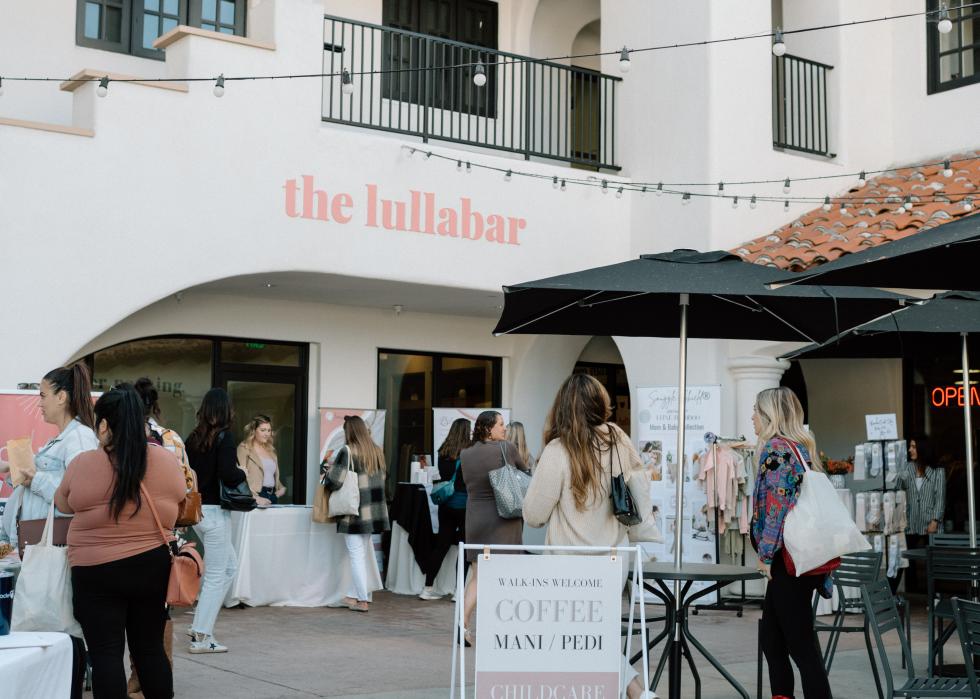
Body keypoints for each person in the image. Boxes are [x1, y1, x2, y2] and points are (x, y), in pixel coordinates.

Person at [523, 373, 655, 699]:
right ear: (601, 403)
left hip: (568, 564)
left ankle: (638, 694)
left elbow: (534, 515)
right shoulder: (618, 440)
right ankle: (637, 693)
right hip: (613, 558)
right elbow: (639, 490)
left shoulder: (558, 450)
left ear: (563, 407)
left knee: (575, 638)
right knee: (595, 635)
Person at [54, 384, 185, 699]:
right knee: (149, 650)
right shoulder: (166, 461)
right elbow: (180, 500)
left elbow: (63, 504)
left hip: (95, 570)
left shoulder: (84, 464)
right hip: (151, 566)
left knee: (106, 653)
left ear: (103, 425)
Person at [0, 364, 98, 699]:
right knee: (49, 618)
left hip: (57, 545)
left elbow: (76, 495)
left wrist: (32, 478)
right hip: (40, 542)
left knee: (62, 622)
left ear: (63, 396)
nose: (39, 403)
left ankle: (69, 685)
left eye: (43, 395)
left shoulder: (81, 438)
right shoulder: (62, 437)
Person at [751, 386, 832, 699]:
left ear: (770, 415)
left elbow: (777, 506)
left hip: (788, 560)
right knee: (773, 640)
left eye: (756, 411)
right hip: (797, 558)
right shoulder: (797, 448)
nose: (752, 417)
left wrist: (766, 555)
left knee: (800, 647)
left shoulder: (777, 450)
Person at [130, 377, 195, 695]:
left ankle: (136, 677)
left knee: (130, 609)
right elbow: (186, 488)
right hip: (166, 533)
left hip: (127, 534)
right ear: (155, 405)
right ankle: (160, 673)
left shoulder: (122, 440)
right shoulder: (172, 439)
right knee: (160, 608)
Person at [458, 411, 529, 645]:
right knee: (507, 574)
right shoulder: (505, 449)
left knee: (478, 575)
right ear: (488, 428)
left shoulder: (466, 453)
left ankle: (463, 623)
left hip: (476, 518)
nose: (504, 429)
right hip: (503, 517)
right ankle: (504, 626)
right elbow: (524, 470)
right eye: (500, 425)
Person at [185, 387, 246, 653]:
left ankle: (201, 624)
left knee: (228, 568)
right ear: (225, 410)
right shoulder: (226, 438)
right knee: (217, 574)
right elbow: (229, 474)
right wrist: (242, 473)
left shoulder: (193, 438)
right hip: (217, 513)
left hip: (198, 512)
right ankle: (201, 635)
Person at [322, 415, 389, 612]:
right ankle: (351, 597)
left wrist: (327, 471)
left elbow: (335, 481)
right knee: (360, 554)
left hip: (354, 509)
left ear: (349, 431)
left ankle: (362, 600)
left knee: (356, 555)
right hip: (372, 509)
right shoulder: (377, 451)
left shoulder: (347, 451)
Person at [419, 418, 471, 601]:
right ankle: (458, 591)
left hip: (445, 504)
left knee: (441, 546)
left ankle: (428, 587)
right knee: (463, 549)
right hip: (464, 505)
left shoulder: (443, 451)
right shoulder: (470, 451)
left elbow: (441, 475)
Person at [893, 436, 945, 592]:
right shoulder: (907, 468)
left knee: (934, 562)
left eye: (914, 447)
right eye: (910, 446)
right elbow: (898, 493)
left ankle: (935, 597)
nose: (910, 450)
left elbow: (940, 498)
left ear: (923, 449)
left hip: (931, 522)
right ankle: (890, 595)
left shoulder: (937, 471)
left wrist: (935, 520)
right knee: (901, 558)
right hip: (910, 522)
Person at [238, 414, 286, 505]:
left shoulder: (271, 450)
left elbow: (270, 474)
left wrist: (281, 488)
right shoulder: (244, 448)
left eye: (269, 430)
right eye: (263, 430)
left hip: (272, 495)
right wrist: (254, 497)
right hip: (255, 496)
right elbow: (239, 478)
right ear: (254, 431)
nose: (267, 434)